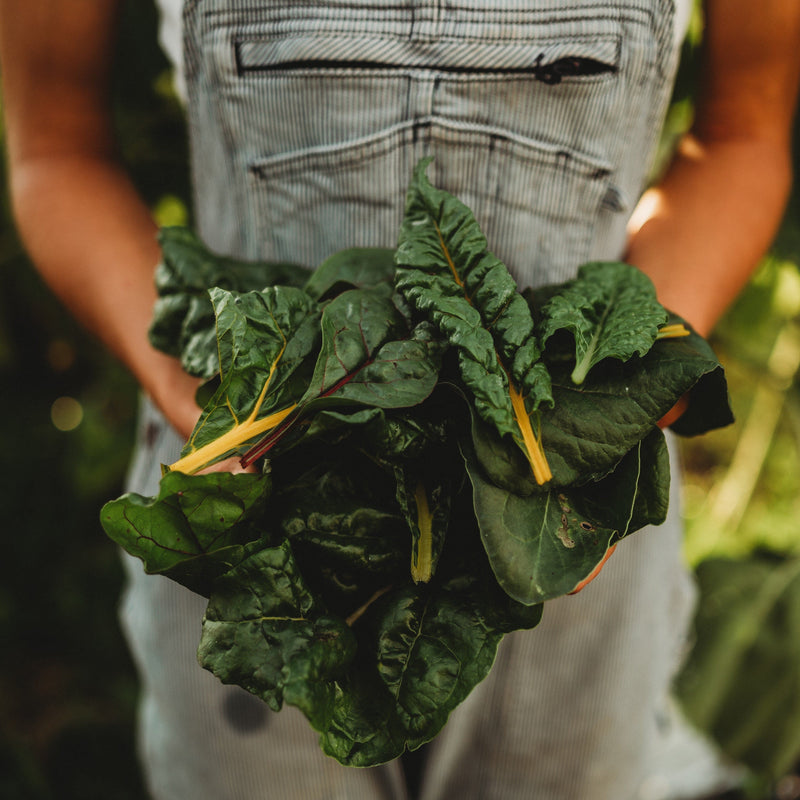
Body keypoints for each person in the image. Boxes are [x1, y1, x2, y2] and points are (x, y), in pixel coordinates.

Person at [1, 1, 798, 798]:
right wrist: (205, 390)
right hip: (251, 514)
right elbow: (55, 151)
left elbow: (742, 136)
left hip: (565, 520)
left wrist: (596, 400)